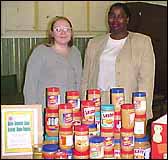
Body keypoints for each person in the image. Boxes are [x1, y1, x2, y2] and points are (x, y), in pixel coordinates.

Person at [81, 3, 155, 121]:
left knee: (125, 138)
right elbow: (85, 79)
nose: (115, 20)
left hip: (126, 104)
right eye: (112, 15)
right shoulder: (94, 43)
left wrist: (142, 114)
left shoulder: (142, 42)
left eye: (120, 16)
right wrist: (83, 107)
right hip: (96, 104)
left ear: (127, 19)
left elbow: (146, 82)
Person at [23, 16, 82, 108]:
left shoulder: (76, 52)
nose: (63, 32)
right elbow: (30, 85)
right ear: (52, 33)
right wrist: (33, 111)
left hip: (71, 111)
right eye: (58, 29)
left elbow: (79, 82)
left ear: (71, 32)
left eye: (67, 29)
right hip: (47, 111)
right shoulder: (40, 52)